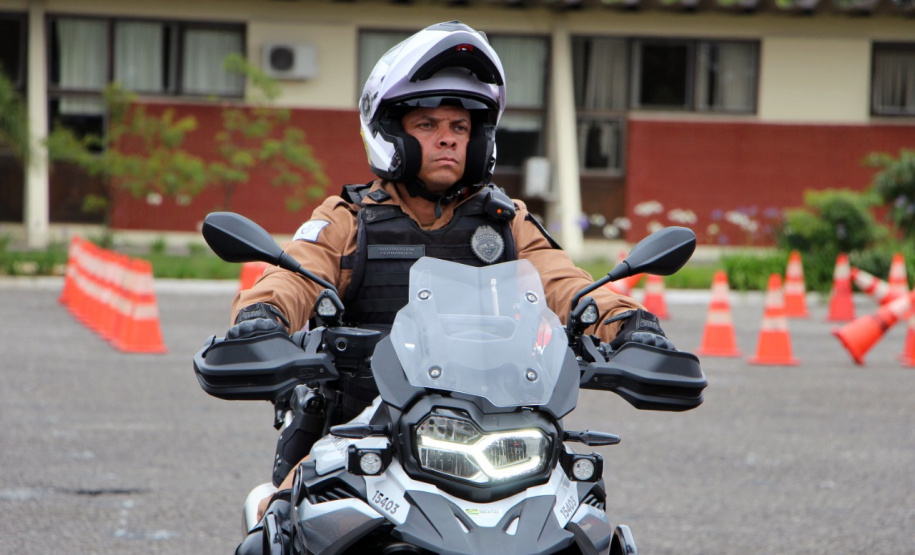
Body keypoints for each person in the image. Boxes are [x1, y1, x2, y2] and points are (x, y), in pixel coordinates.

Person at [230, 20, 672, 550]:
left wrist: (629, 324)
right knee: (281, 524)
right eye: (428, 123)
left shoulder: (506, 221)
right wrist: (261, 318)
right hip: (365, 431)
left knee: (591, 530)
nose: (447, 138)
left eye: (460, 127)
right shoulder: (350, 219)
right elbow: (293, 275)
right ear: (390, 131)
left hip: (501, 432)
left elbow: (566, 283)